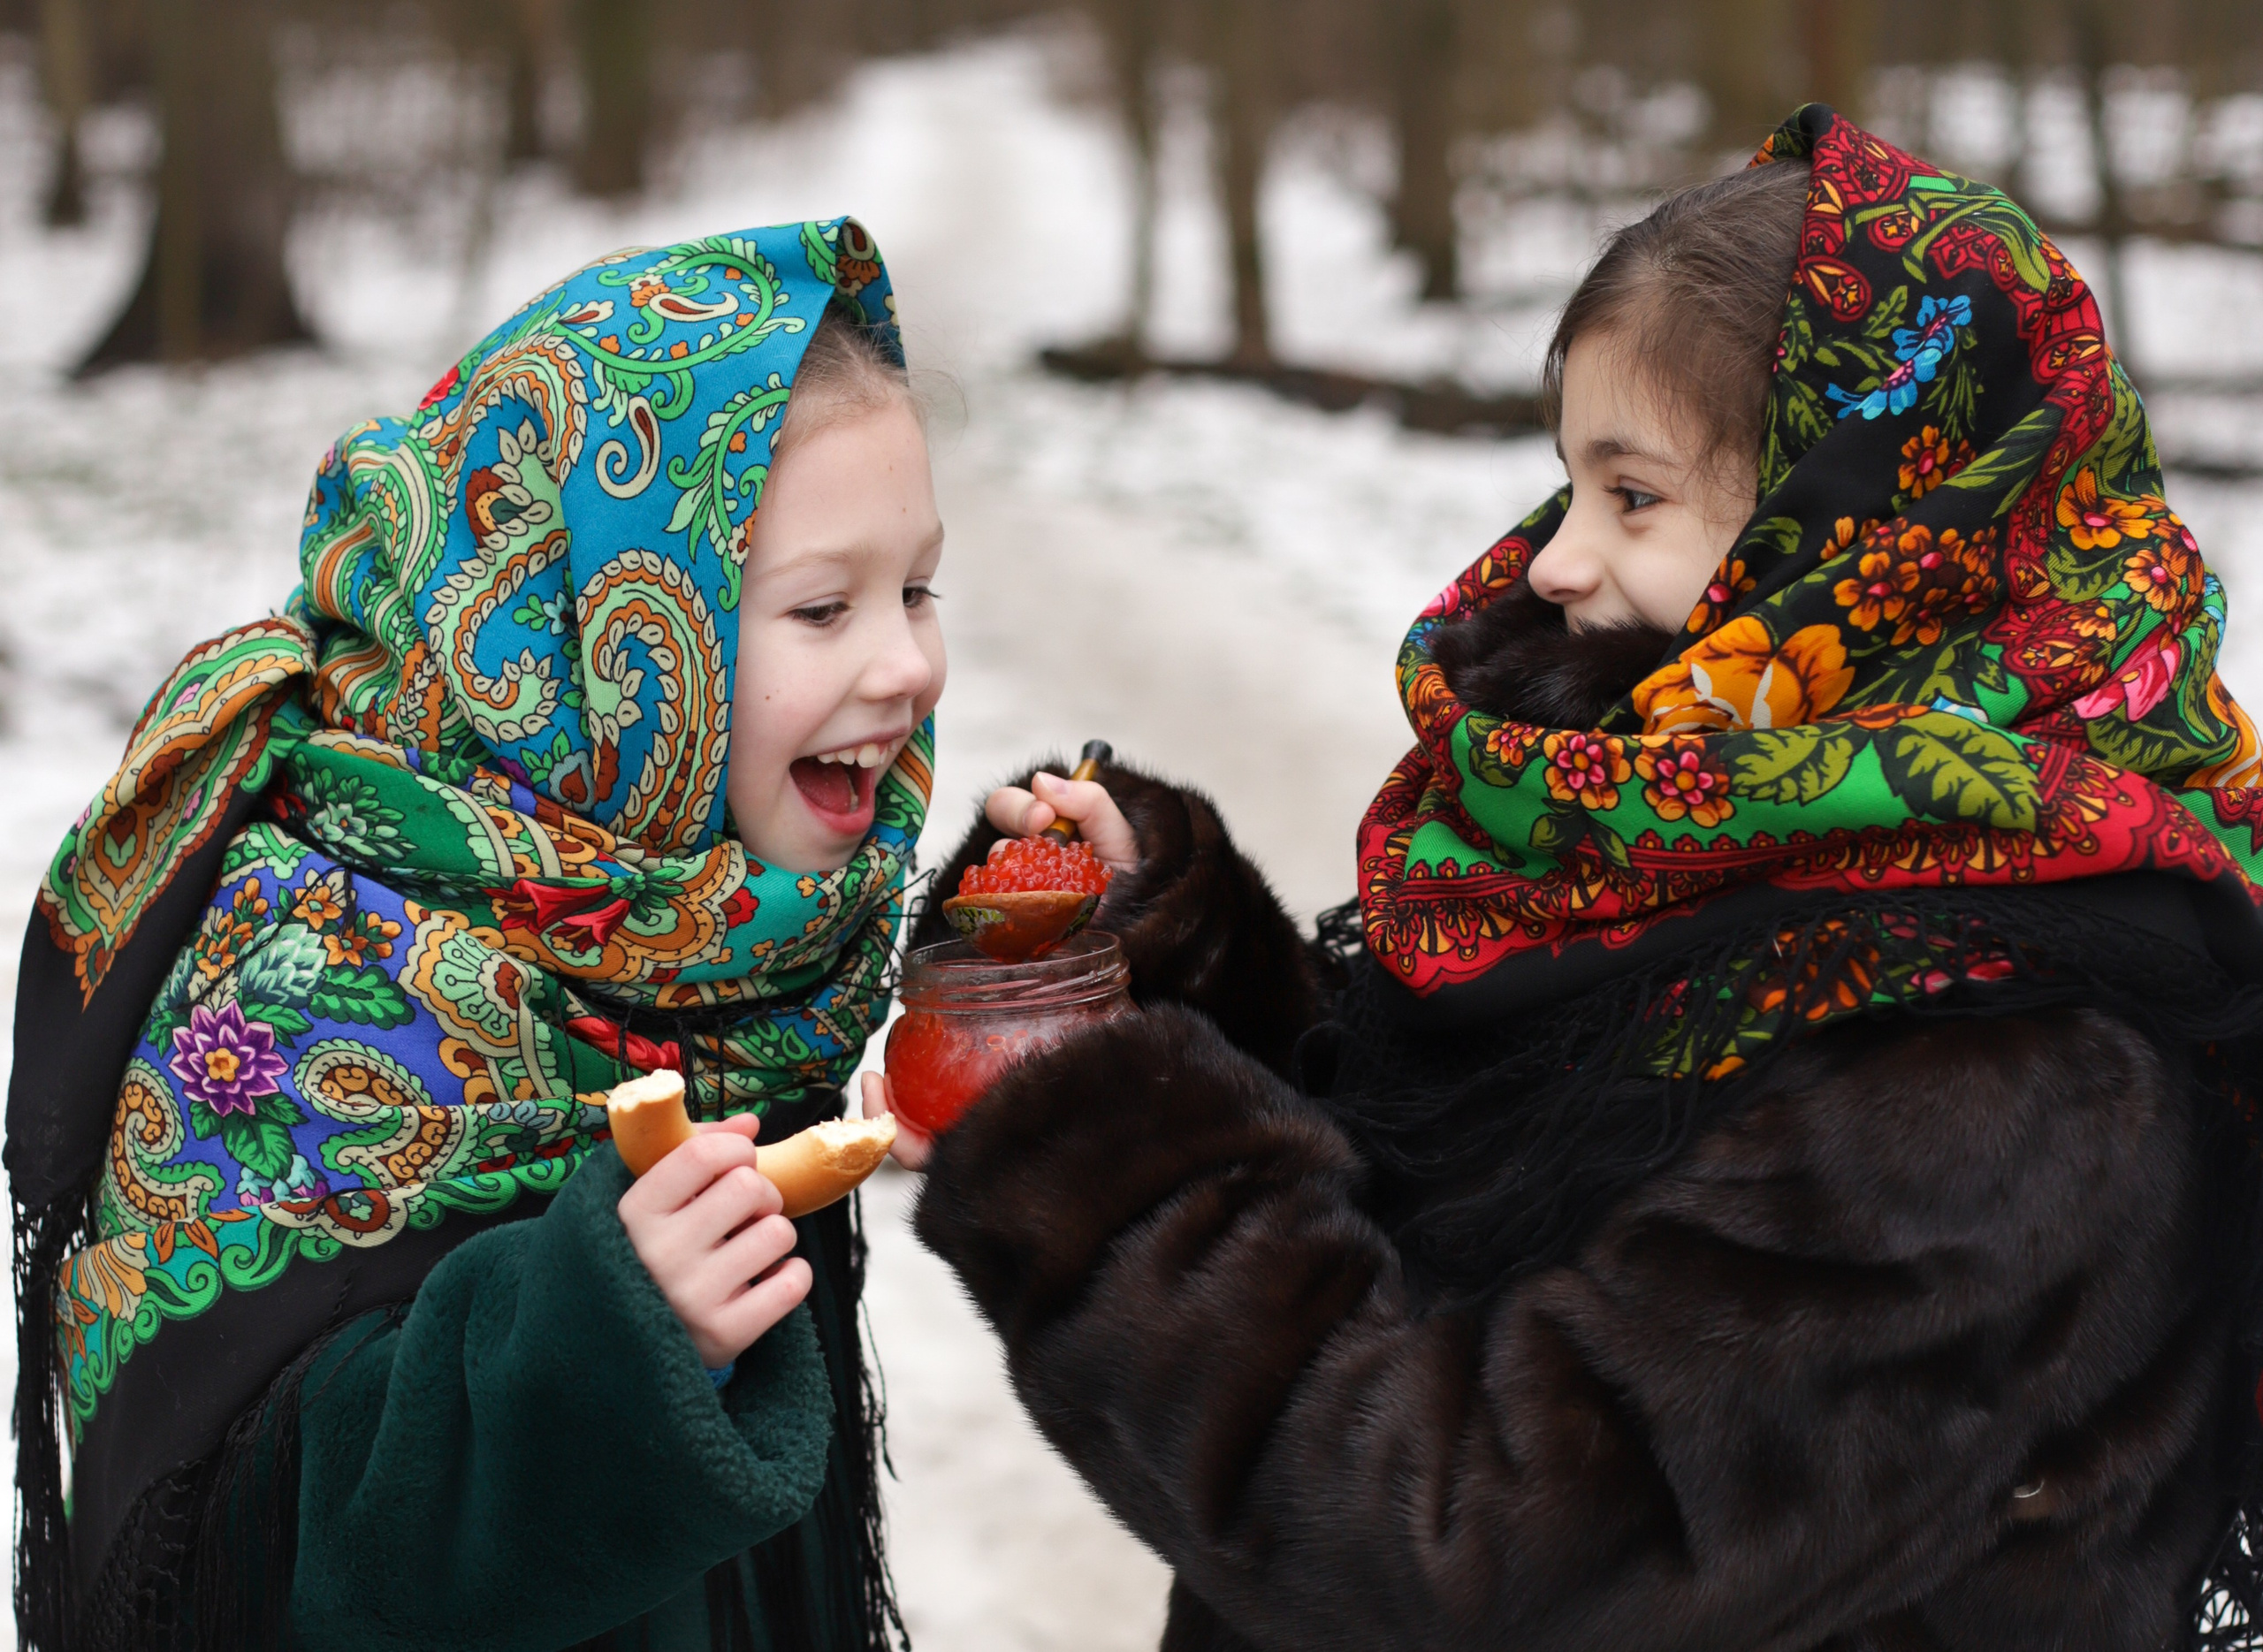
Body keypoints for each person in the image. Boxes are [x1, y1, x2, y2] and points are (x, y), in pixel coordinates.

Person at [889, 106, 2263, 1648]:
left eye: (1636, 493)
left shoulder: (1998, 1078)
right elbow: (1469, 1210)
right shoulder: (1696, 843)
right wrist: (1189, 969)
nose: (1549, 559)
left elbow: (1469, 1548)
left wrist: (1107, 1167)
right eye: (1570, 480)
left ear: (1863, 538)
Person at [11, 219, 941, 1650]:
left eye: (920, 588)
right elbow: (264, 1565)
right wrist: (600, 1353)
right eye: (823, 606)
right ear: (590, 639)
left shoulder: (718, 927)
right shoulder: (315, 974)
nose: (908, 663)